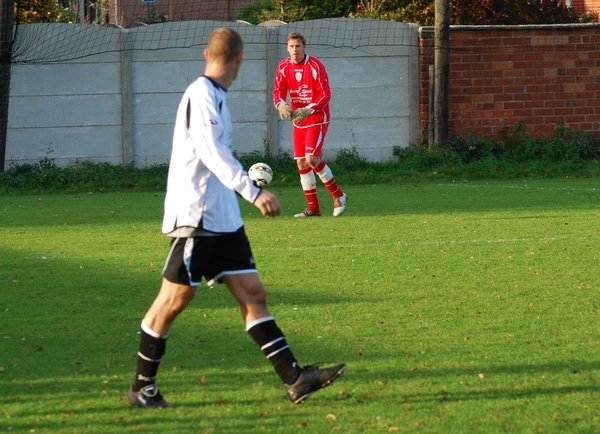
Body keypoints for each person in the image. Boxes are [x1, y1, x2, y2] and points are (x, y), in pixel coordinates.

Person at [126, 27, 345, 409]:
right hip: (197, 215)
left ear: (206, 54)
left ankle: (295, 379)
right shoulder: (202, 94)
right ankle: (142, 387)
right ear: (239, 59)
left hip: (223, 217)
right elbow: (212, 152)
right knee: (174, 299)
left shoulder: (216, 95)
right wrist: (254, 191)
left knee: (253, 294)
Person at [273, 32, 347, 218]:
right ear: (287, 48)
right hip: (299, 119)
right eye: (291, 46)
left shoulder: (316, 66)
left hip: (317, 117)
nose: (295, 50)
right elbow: (278, 91)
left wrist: (309, 109)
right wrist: (281, 104)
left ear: (304, 47)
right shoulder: (283, 67)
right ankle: (313, 208)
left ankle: (339, 196)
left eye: (298, 46)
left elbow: (325, 95)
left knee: (312, 159)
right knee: (301, 163)